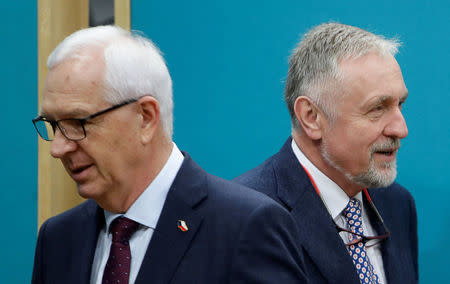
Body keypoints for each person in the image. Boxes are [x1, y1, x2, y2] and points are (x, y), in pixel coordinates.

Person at [31, 26, 308, 284]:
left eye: (78, 123)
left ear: (146, 117)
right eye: (53, 125)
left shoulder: (246, 227)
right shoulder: (58, 239)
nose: (58, 148)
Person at [234, 23, 418, 284]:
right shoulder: (245, 217)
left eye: (400, 104)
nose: (401, 129)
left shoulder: (398, 205)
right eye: (378, 108)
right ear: (311, 117)